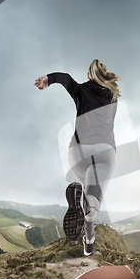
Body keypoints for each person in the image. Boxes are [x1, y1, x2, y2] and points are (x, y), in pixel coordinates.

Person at [34, 59, 120, 256]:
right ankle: (88, 209)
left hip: (78, 151)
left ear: (89, 75)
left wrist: (48, 79)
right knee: (93, 200)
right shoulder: (113, 96)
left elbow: (65, 79)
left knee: (88, 194)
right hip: (103, 152)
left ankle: (88, 239)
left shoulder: (80, 89)